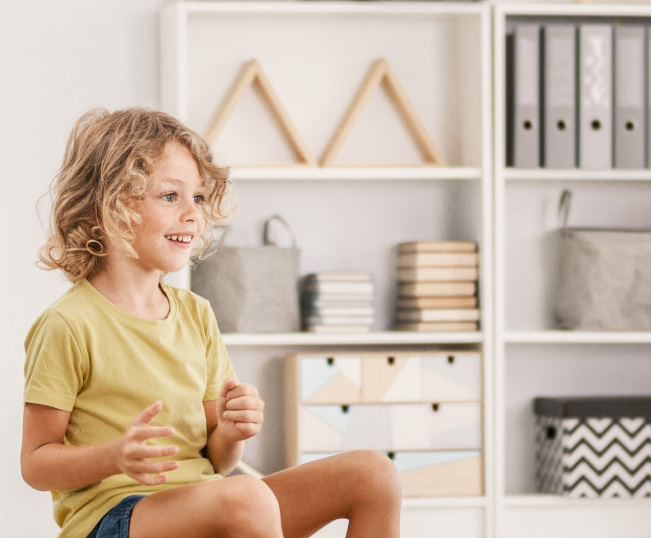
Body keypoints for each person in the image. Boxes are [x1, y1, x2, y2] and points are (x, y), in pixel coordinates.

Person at [21, 108, 402, 538]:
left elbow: (217, 463)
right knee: (247, 497)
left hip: (207, 502)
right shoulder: (68, 324)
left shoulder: (196, 314)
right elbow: (36, 463)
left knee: (373, 473)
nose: (193, 215)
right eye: (171, 196)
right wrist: (114, 457)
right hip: (114, 518)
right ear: (110, 206)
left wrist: (232, 431)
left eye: (198, 198)